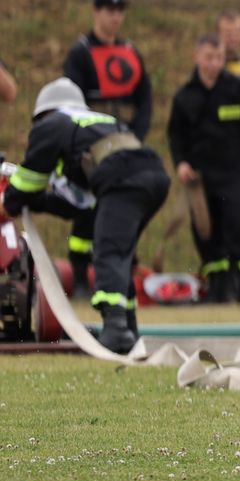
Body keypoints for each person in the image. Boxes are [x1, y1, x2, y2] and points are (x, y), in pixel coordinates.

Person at [2, 78, 170, 354]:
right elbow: (77, 203)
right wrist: (35, 203)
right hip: (152, 175)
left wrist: (11, 201)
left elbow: (31, 176)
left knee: (108, 251)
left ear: (44, 113)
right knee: (122, 253)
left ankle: (116, 331)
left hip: (122, 180)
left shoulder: (52, 124)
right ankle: (126, 327)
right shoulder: (94, 123)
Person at [60, 0, 154, 301]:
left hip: (125, 145)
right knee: (87, 207)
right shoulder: (81, 53)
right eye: (109, 10)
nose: (115, 16)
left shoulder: (130, 51)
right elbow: (73, 101)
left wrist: (135, 136)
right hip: (93, 147)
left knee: (122, 209)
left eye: (119, 11)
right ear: (96, 12)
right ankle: (81, 273)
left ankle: (121, 270)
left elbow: (145, 98)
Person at [169, 33, 240, 305]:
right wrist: (180, 163)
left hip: (234, 173)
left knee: (238, 226)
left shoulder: (239, 88)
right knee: (206, 233)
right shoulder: (184, 96)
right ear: (197, 57)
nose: (214, 63)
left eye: (219, 58)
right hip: (200, 179)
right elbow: (175, 135)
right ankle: (218, 287)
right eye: (209, 57)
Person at [216, 10, 240, 77]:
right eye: (228, 33)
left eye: (237, 33)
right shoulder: (211, 69)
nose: (233, 38)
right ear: (218, 34)